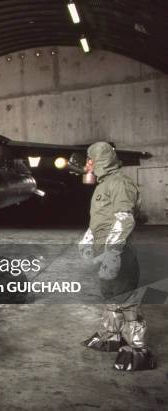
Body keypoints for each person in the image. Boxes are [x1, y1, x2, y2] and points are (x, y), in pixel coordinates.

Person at [78, 142, 155, 371]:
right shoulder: (104, 185)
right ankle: (112, 337)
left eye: (88, 160)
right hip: (105, 249)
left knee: (127, 298)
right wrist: (88, 240)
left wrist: (112, 252)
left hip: (119, 251)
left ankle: (138, 351)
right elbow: (101, 220)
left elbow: (124, 219)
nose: (86, 165)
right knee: (112, 295)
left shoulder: (120, 183)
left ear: (97, 161)